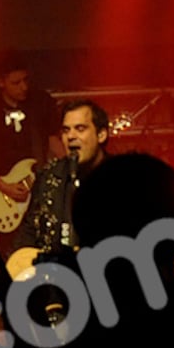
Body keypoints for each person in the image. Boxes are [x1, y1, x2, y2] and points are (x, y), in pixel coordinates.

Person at [0, 50, 62, 254]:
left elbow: (53, 141)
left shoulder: (41, 102)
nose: (24, 87)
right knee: (12, 257)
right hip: (4, 192)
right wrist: (5, 187)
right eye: (16, 82)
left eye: (26, 80)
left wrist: (68, 166)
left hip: (38, 191)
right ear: (1, 82)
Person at [15, 99, 109, 258]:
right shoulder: (49, 176)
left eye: (80, 129)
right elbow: (29, 231)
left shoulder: (122, 178)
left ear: (101, 135)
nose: (71, 136)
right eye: (66, 130)